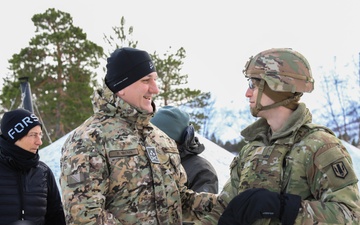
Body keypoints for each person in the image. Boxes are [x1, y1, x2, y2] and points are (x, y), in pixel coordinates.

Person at [60, 47, 217, 225]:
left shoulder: (160, 139)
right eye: (145, 80)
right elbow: (84, 216)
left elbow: (179, 200)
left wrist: (229, 203)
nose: (155, 89)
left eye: (155, 80)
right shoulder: (88, 140)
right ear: (121, 87)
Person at [203, 48, 360, 225]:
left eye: (253, 85)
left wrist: (285, 208)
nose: (247, 93)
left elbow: (350, 215)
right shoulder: (253, 148)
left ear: (276, 86)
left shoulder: (319, 146)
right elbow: (224, 209)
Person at [0, 108, 66, 225]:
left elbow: (56, 216)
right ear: (13, 136)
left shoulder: (43, 172)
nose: (39, 142)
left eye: (40, 135)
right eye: (33, 135)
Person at [151, 105, 218, 193]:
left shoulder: (202, 171)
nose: (150, 141)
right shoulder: (145, 157)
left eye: (157, 138)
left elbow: (202, 206)